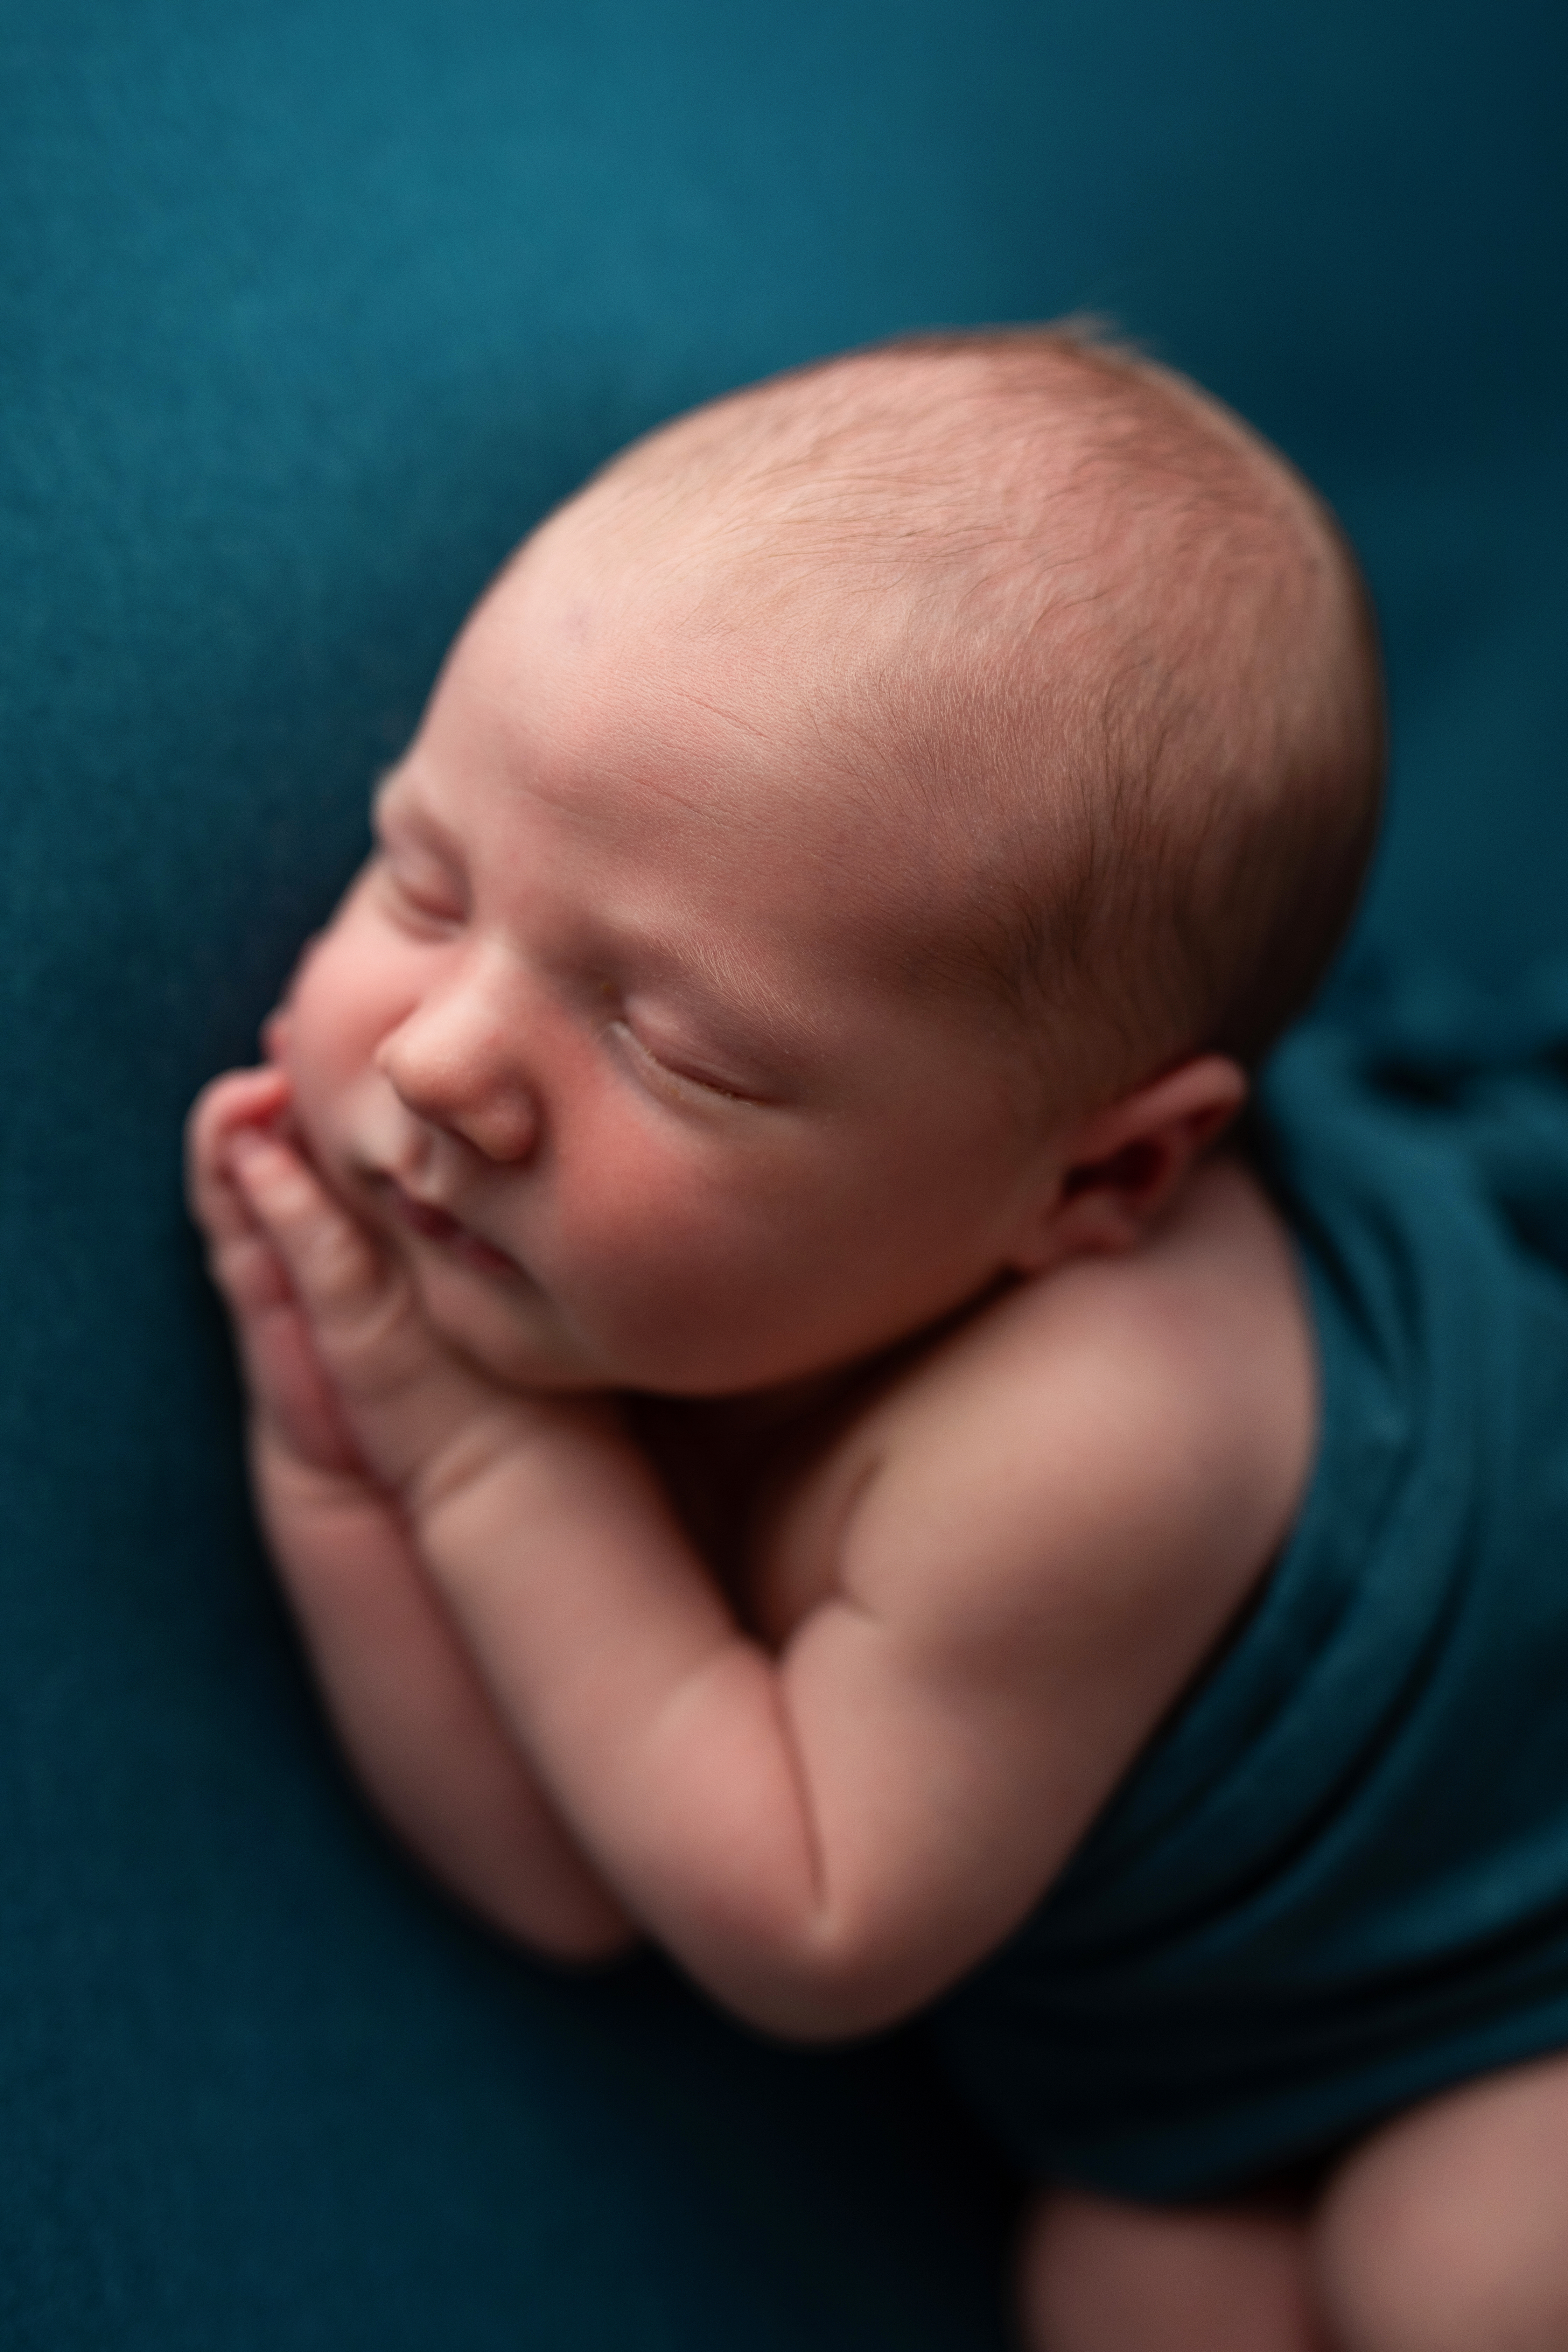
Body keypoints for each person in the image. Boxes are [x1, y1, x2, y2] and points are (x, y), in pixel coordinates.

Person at [186, 329, 1568, 2351]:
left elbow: (806, 1912)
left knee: (1457, 2282)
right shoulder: (721, 1277)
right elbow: (581, 1875)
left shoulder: (1095, 1432)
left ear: (1094, 1186)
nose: (446, 1055)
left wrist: (469, 1453)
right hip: (1194, 2071)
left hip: (1521, 1951)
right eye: (424, 874)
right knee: (1117, 2293)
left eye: (674, 1043)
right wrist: (339, 1470)